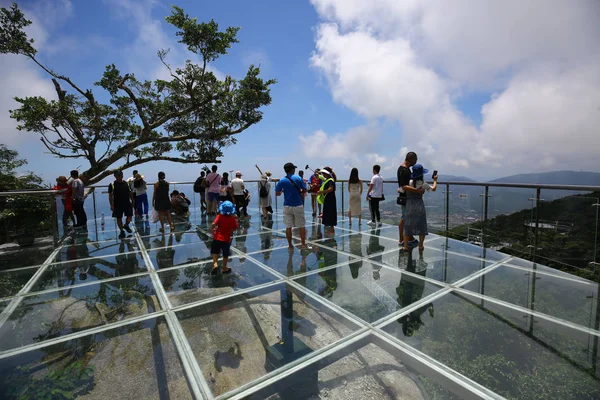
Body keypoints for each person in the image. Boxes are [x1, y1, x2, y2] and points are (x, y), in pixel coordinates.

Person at [404, 164, 437, 251]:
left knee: (407, 225)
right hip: (419, 205)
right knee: (421, 225)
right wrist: (435, 180)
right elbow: (433, 189)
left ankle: (406, 246)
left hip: (409, 205)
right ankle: (421, 245)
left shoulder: (409, 182)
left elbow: (400, 189)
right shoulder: (423, 183)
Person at [275, 162, 307, 249]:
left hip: (287, 205)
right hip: (298, 205)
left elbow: (277, 193)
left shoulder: (282, 180)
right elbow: (304, 190)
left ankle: (290, 245)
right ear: (292, 169)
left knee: (288, 227)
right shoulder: (298, 178)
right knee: (301, 226)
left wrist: (282, 191)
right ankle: (303, 244)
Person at [397, 152, 424, 249]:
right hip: (407, 198)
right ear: (411, 159)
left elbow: (401, 186)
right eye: (415, 159)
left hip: (404, 197)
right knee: (405, 219)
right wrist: (417, 190)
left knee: (404, 218)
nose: (416, 161)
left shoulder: (402, 169)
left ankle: (405, 239)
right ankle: (403, 240)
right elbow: (404, 186)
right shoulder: (405, 170)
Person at [211, 201, 239, 275]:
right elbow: (235, 227)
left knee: (215, 252)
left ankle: (215, 264)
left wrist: (213, 230)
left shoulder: (219, 216)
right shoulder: (232, 218)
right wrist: (231, 230)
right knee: (225, 255)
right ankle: (224, 268)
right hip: (226, 240)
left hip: (217, 238)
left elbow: (213, 224)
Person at [108, 170, 134, 239]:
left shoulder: (126, 183)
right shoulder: (112, 184)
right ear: (115, 176)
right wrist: (111, 205)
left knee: (129, 215)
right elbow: (110, 195)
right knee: (119, 218)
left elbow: (130, 192)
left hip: (127, 202)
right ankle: (122, 231)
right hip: (117, 204)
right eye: (118, 175)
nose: (119, 176)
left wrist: (133, 200)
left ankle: (126, 225)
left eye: (120, 175)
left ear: (122, 175)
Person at [318, 167, 337, 234]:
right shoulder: (328, 180)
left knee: (331, 213)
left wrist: (321, 192)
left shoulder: (330, 180)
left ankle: (332, 229)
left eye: (324, 173)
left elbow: (330, 189)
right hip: (328, 198)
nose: (323, 175)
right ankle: (331, 229)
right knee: (329, 213)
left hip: (330, 198)